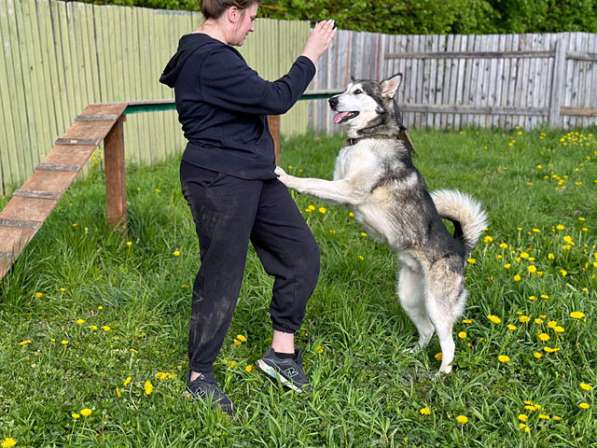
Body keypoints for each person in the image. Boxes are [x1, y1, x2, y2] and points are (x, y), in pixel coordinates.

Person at [159, 0, 336, 414]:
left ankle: (281, 353)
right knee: (222, 275)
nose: (253, 27)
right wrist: (310, 54)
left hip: (256, 174)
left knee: (301, 256)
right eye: (252, 18)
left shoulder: (217, 58)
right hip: (220, 179)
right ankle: (199, 375)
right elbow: (276, 98)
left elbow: (251, 106)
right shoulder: (208, 59)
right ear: (233, 12)